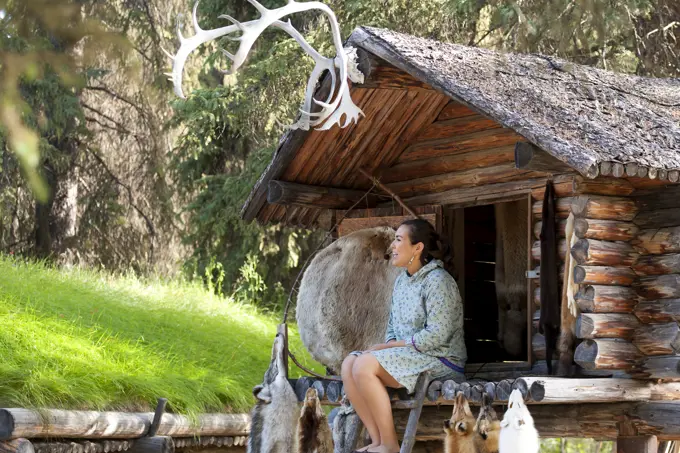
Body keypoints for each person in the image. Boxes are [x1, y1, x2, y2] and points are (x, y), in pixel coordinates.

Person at [340, 218, 467, 453]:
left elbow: (438, 335)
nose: (393, 246)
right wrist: (389, 345)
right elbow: (392, 327)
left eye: (399, 240)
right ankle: (377, 441)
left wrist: (388, 348)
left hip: (441, 358)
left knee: (363, 365)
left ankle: (389, 444)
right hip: (410, 355)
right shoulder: (401, 282)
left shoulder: (438, 281)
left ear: (417, 248)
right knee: (349, 364)